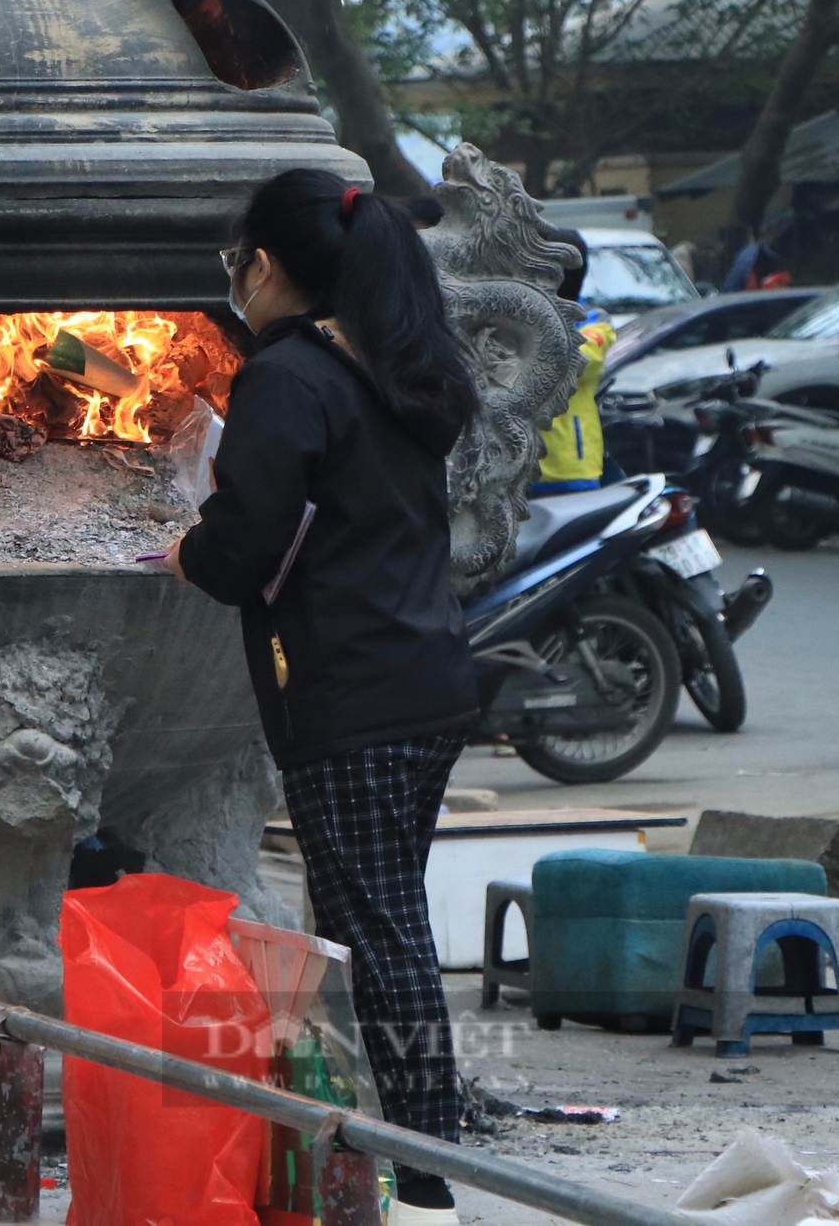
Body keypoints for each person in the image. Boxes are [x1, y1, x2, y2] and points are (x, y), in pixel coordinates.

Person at [164, 171, 482, 1226]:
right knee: (386, 914)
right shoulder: (393, 364)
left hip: (348, 689)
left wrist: (188, 551)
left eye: (235, 266)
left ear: (262, 267)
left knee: (373, 922)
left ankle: (426, 1164)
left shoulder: (288, 375)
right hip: (424, 674)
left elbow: (244, 537)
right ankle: (419, 1142)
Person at [532, 225, 618, 494]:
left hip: (571, 469)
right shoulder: (521, 314)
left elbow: (577, 359)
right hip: (521, 468)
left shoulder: (595, 322)